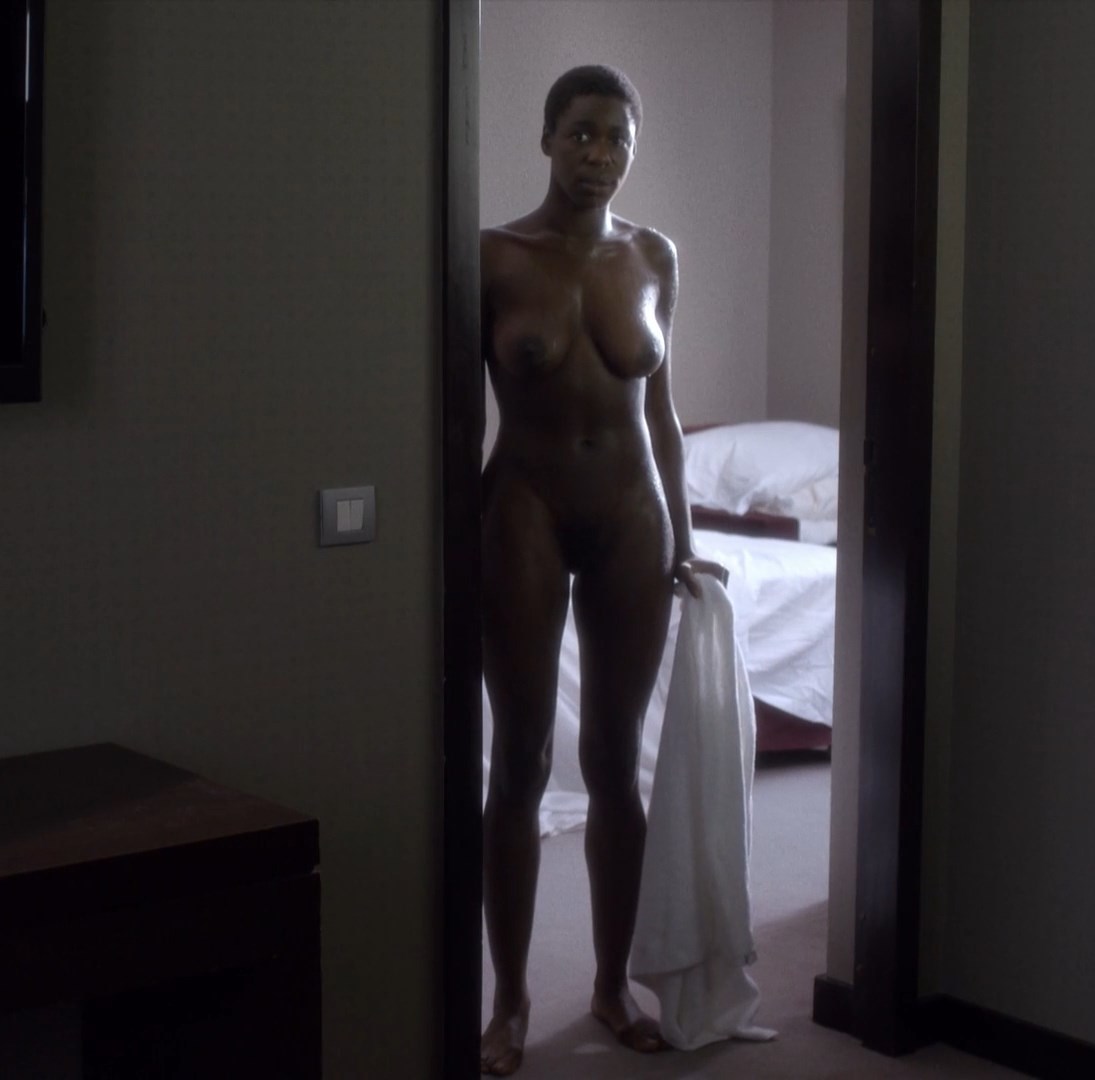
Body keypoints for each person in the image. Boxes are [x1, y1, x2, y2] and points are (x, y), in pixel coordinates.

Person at [479, 64, 728, 1076]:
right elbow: (452, 414)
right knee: (522, 759)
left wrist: (687, 534)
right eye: (582, 133)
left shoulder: (653, 256)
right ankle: (509, 1001)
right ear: (546, 138)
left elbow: (662, 414)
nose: (599, 155)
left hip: (634, 513)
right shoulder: (494, 257)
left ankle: (611, 985)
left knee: (618, 762)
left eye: (618, 138)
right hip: (524, 509)